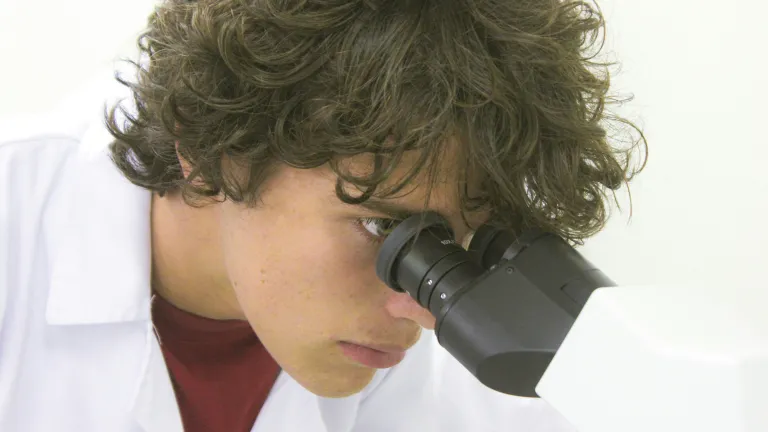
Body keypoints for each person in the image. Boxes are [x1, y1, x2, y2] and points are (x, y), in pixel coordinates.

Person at [0, 0, 646, 431]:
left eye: (461, 243)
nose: (422, 311)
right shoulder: (15, 225)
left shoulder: (453, 376)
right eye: (384, 229)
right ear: (207, 149)